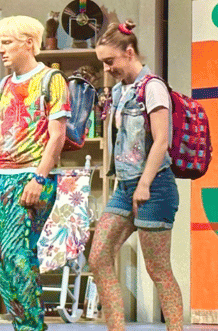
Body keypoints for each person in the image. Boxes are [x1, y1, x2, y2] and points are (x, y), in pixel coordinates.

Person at [88, 20, 184, 331]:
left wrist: (144, 184)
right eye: (103, 63)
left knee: (158, 270)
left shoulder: (152, 87)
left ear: (129, 52)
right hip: (125, 187)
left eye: (110, 61)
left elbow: (161, 139)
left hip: (154, 187)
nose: (107, 69)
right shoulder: (119, 91)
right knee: (98, 256)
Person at [0, 15, 70, 331]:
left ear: (28, 43)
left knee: (18, 255)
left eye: (7, 42)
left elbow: (57, 136)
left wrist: (39, 178)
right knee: (1, 258)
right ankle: (21, 325)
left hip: (31, 176)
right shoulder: (4, 85)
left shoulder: (50, 79)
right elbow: (0, 138)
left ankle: (32, 327)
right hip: (3, 178)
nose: (0, 50)